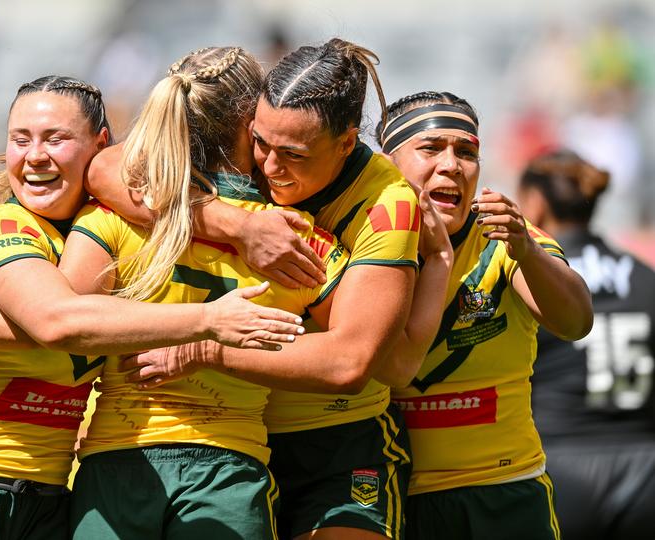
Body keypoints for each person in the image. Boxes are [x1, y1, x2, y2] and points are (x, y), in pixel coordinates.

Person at [0, 75, 303, 540]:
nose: (34, 156)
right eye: (20, 139)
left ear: (100, 145)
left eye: (56, 138)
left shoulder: (100, 233)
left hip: (46, 496)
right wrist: (209, 321)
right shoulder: (4, 227)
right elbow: (56, 321)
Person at [101, 39, 435, 540]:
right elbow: (107, 170)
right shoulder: (262, 138)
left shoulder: (385, 205)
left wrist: (204, 348)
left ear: (346, 143)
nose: (271, 167)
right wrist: (236, 224)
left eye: (293, 155)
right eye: (261, 143)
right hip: (243, 439)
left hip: (336, 442)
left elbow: (351, 362)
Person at [66, 45, 352, 540]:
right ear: (252, 124)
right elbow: (350, 358)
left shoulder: (112, 212)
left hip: (113, 459)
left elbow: (62, 318)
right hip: (228, 468)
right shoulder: (299, 241)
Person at [376, 91, 593, 540]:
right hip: (388, 496)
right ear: (387, 162)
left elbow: (576, 323)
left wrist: (527, 251)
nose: (452, 164)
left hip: (503, 493)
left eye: (467, 152)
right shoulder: (364, 237)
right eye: (432, 148)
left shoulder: (504, 236)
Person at [520, 150, 655, 540]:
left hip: (560, 463)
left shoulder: (536, 283)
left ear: (535, 202)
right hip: (645, 466)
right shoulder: (645, 277)